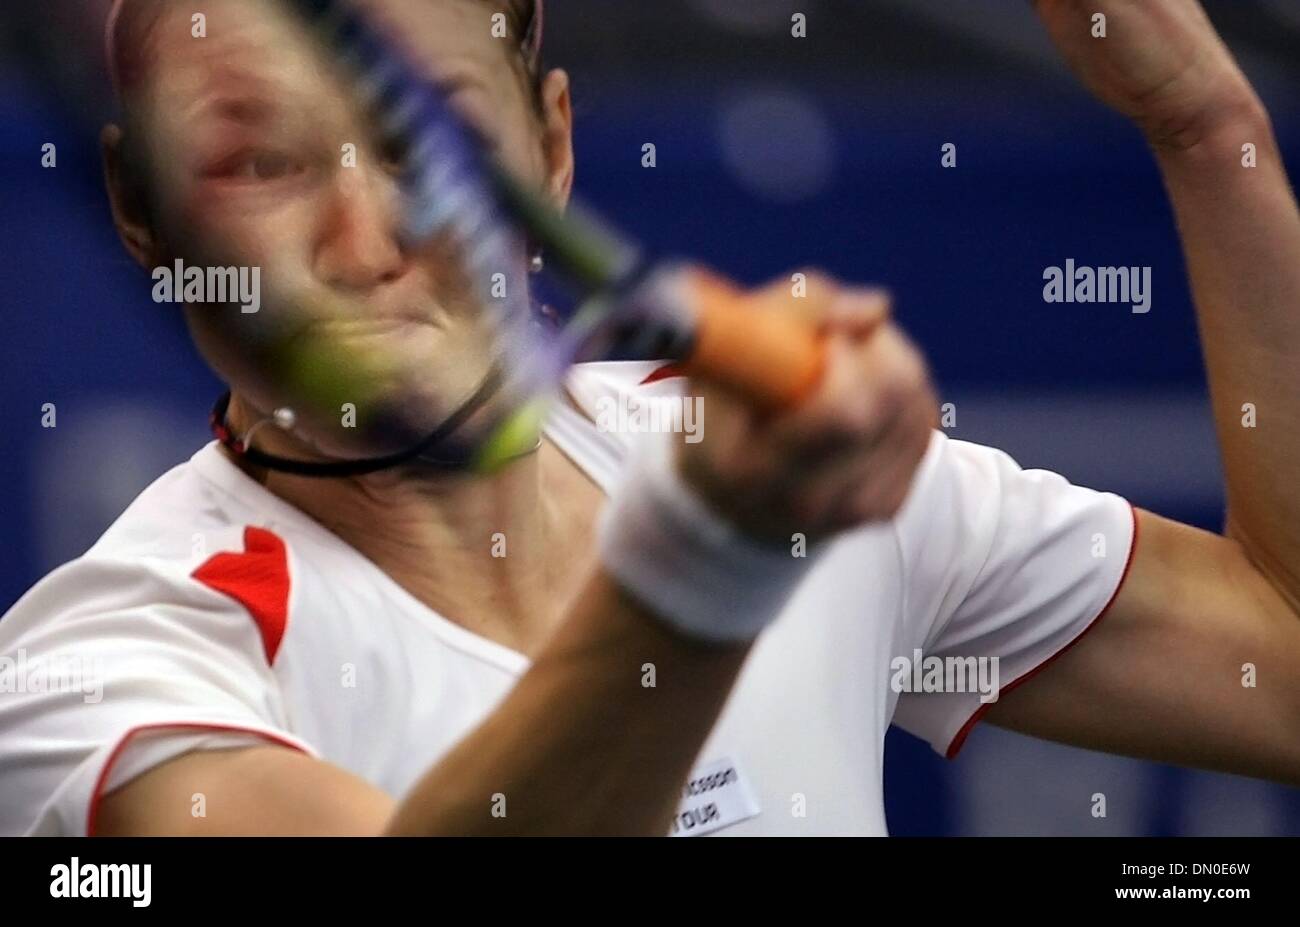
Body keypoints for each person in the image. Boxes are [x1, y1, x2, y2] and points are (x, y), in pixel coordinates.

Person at [1, 0, 1298, 837]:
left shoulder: (748, 466)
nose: (364, 241)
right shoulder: (105, 672)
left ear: (552, 146)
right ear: (141, 208)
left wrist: (1207, 127)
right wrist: (712, 562)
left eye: (437, 141)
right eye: (261, 163)